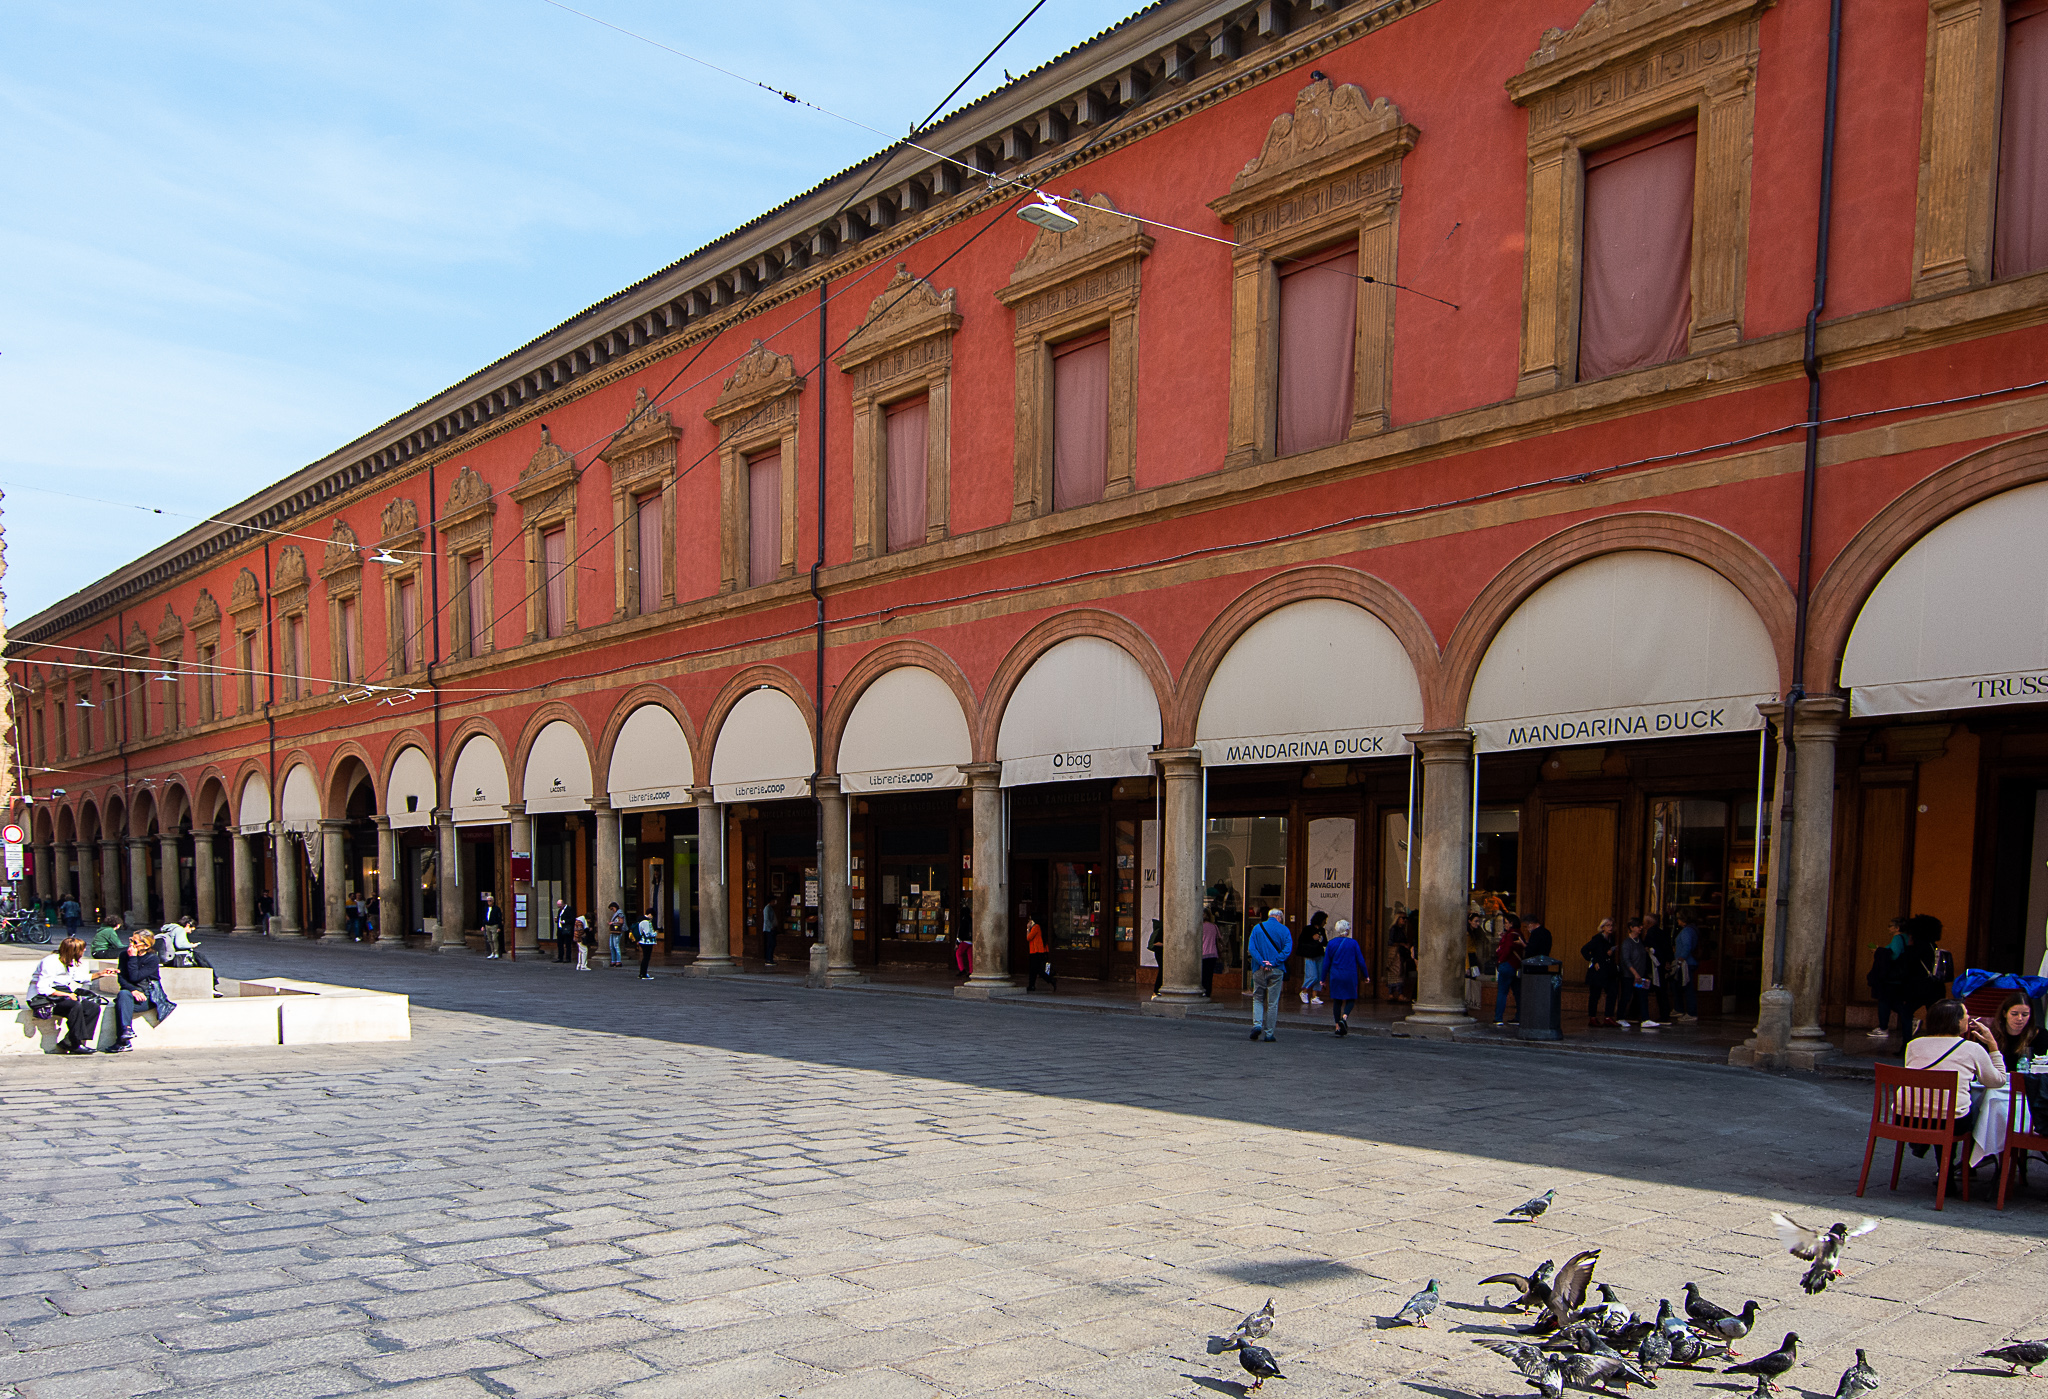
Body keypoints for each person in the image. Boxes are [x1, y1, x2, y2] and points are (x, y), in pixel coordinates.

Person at [1903, 998, 2008, 1173]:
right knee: (1968, 1108)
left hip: (1908, 1118)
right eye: (1966, 1015)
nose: (1969, 1018)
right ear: (1956, 1021)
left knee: (1942, 1106)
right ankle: (1968, 1162)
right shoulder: (1972, 1049)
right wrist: (1993, 1046)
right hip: (1948, 1121)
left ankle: (1930, 1152)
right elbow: (1997, 1081)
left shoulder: (1913, 1045)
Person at [27, 936, 104, 1054]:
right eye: (81, 949)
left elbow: (79, 978)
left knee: (92, 1007)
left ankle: (69, 1042)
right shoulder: (51, 961)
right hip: (41, 998)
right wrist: (66, 995)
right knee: (75, 1005)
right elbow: (42, 988)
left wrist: (101, 974)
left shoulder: (69, 961)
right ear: (72, 951)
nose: (84, 951)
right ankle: (75, 1043)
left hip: (59, 996)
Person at [112, 928, 176, 1052]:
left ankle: (123, 1042)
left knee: (122, 1001)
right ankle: (126, 1030)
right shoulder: (124, 955)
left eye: (135, 942)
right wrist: (132, 990)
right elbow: (121, 978)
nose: (131, 944)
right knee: (123, 995)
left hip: (147, 996)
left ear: (146, 945)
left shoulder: (152, 959)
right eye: (131, 940)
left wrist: (133, 958)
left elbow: (135, 976)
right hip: (131, 994)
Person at [1891, 914, 1951, 1037]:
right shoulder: (1932, 945)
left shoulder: (1917, 946)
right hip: (1935, 986)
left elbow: (1907, 963)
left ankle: (1908, 1039)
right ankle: (1936, 1039)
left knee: (1905, 1011)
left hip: (1919, 986)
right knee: (1934, 1015)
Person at [1247, 906, 1291, 1043]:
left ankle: (1257, 1025)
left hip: (1259, 968)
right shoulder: (1284, 930)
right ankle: (1269, 1033)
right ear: (1279, 917)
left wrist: (1262, 962)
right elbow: (1287, 949)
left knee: (1258, 997)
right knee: (1272, 1002)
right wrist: (1273, 962)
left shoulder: (1257, 928)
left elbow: (1251, 948)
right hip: (1276, 969)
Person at [1323, 918, 1370, 1037]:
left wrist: (1323, 979)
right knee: (1351, 998)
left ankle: (1337, 1026)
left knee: (1337, 1000)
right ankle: (1344, 1017)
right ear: (1347, 931)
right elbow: (1361, 960)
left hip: (1335, 975)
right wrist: (1366, 975)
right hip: (1350, 974)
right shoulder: (1353, 943)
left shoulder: (1331, 943)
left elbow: (1326, 963)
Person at [1867, 916, 1907, 1040]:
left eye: (1890, 926)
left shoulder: (1897, 938)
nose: (1888, 928)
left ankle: (1883, 1027)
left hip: (1891, 977)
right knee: (1894, 1002)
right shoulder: (1906, 938)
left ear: (1897, 928)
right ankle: (1909, 1018)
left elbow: (1893, 955)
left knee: (1885, 1001)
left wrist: (1878, 950)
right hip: (1899, 977)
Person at [1616, 919, 1658, 1029]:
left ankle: (1645, 1019)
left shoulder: (1640, 942)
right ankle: (1620, 1017)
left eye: (1641, 926)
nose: (1640, 928)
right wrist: (1635, 974)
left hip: (1640, 975)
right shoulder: (1627, 943)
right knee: (1626, 996)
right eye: (1638, 926)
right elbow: (1626, 960)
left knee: (1643, 996)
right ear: (1631, 928)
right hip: (1629, 976)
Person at [1581, 918, 1619, 1026]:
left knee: (1612, 992)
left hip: (1609, 970)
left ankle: (1608, 1016)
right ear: (1602, 928)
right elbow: (1584, 950)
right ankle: (1592, 1017)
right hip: (1598, 971)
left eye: (1611, 925)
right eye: (1607, 925)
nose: (1610, 928)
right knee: (1595, 994)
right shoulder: (1597, 939)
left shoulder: (1611, 939)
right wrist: (1593, 960)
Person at [1494, 915, 1525, 1027]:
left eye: (1506, 922)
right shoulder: (1519, 934)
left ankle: (1498, 1018)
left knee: (1502, 992)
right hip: (1516, 967)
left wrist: (1500, 958)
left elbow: (1506, 950)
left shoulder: (1509, 935)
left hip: (1507, 965)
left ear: (1511, 923)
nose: (1505, 924)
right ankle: (1519, 1017)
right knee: (1518, 993)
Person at [1669, 916, 1701, 1023]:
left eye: (1678, 918)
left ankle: (1691, 1013)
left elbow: (1687, 946)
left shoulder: (1687, 931)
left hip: (1686, 963)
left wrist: (1681, 958)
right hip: (1687, 962)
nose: (1677, 921)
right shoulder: (1692, 930)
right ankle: (1679, 1008)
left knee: (1687, 987)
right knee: (1679, 985)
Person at [1643, 914, 1673, 1022]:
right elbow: (1668, 949)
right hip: (1661, 967)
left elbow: (1650, 949)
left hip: (1653, 968)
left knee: (1642, 989)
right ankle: (1665, 1014)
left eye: (1644, 922)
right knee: (1661, 991)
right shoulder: (1663, 932)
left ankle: (1637, 1013)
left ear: (1648, 923)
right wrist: (1668, 961)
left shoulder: (1650, 933)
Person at [1299, 911, 1328, 1007]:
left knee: (1319, 976)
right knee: (1312, 975)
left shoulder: (1322, 930)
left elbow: (1325, 942)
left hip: (1319, 954)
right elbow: (1302, 941)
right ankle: (1304, 991)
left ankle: (1315, 996)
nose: (1325, 922)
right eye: (1324, 920)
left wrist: (1322, 940)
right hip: (1309, 955)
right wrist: (1312, 938)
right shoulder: (1307, 929)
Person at [1024, 906, 1055, 993]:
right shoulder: (1040, 927)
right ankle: (1032, 985)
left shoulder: (1036, 927)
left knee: (1037, 970)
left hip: (1035, 951)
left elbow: (1028, 938)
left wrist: (1027, 928)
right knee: (1036, 970)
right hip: (1039, 951)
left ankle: (1050, 980)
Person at [1199, 906, 1222, 998]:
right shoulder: (1214, 926)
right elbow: (1219, 939)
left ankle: (1202, 991)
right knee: (1209, 975)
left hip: (1202, 953)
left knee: (1202, 975)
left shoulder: (1199, 927)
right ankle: (1208, 992)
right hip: (1213, 953)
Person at [634, 910, 659, 979]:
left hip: (642, 941)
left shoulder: (641, 920)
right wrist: (655, 933)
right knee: (646, 958)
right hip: (647, 942)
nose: (652, 918)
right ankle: (643, 974)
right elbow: (648, 933)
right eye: (652, 916)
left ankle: (642, 973)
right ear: (650, 914)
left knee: (645, 958)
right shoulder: (646, 922)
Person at [479, 891, 504, 959]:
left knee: (494, 939)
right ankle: (492, 952)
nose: (488, 902)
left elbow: (499, 918)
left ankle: (496, 953)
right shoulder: (486, 908)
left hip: (494, 925)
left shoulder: (497, 909)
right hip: (487, 925)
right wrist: (483, 926)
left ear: (493, 901)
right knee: (489, 940)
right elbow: (484, 917)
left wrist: (499, 927)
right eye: (487, 901)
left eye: (490, 901)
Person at [761, 896, 781, 967]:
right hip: (769, 929)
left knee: (772, 944)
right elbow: (766, 919)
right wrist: (771, 926)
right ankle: (768, 959)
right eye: (774, 901)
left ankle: (770, 958)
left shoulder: (771, 908)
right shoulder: (767, 908)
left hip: (772, 929)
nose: (775, 902)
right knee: (771, 944)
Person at [553, 898, 574, 964]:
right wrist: (557, 920)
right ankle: (560, 957)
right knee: (560, 944)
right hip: (560, 929)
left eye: (560, 905)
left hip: (566, 929)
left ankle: (568, 958)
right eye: (558, 905)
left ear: (563, 904)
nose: (559, 906)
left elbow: (572, 919)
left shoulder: (569, 909)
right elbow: (560, 917)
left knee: (568, 944)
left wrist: (565, 921)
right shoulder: (560, 910)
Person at [606, 902, 625, 967]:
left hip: (617, 931)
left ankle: (618, 961)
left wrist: (613, 922)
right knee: (611, 946)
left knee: (616, 945)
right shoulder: (617, 913)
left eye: (612, 908)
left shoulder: (620, 913)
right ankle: (613, 960)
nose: (612, 910)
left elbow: (621, 921)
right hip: (613, 931)